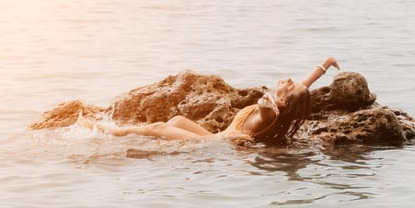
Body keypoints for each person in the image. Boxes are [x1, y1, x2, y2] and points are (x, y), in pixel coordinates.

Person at [78, 57, 340, 143]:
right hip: (217, 137)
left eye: (289, 86)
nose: (289, 80)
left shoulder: (270, 112)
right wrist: (325, 63)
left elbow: (264, 110)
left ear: (283, 103)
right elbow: (306, 85)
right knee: (178, 119)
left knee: (156, 128)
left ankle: (103, 129)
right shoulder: (282, 104)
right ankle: (168, 144)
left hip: (214, 147)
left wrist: (266, 103)